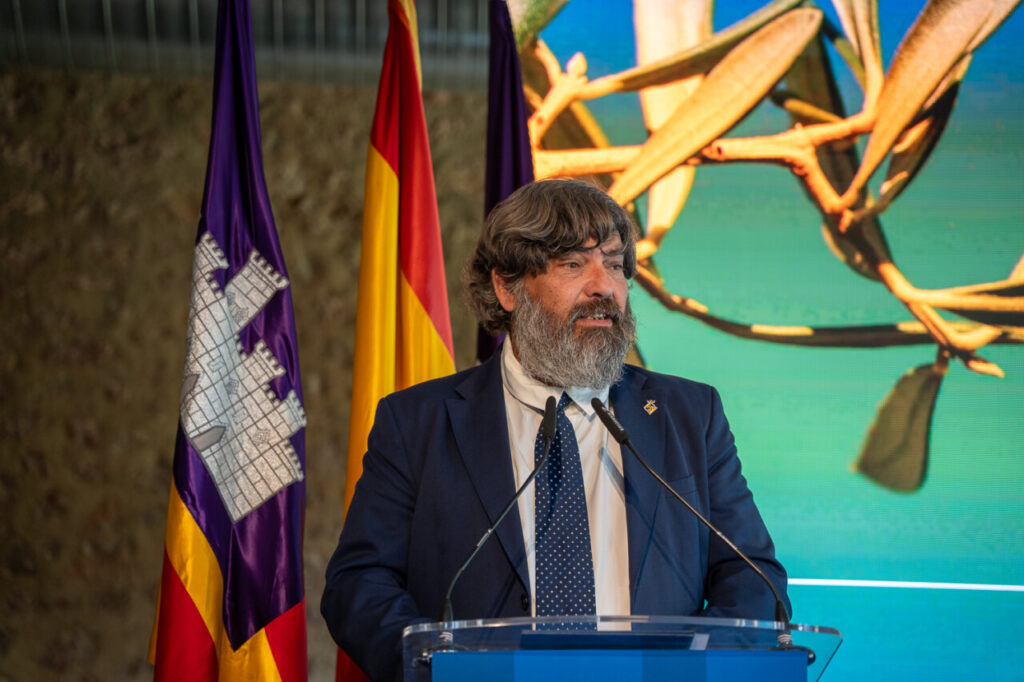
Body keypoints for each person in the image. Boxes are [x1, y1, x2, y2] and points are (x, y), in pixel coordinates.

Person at [321, 179, 789, 682]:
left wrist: (690, 669)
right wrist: (441, 669)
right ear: (507, 287)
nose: (604, 286)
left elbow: (753, 578)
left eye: (613, 264)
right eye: (573, 264)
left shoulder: (689, 414)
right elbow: (359, 585)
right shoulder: (419, 422)